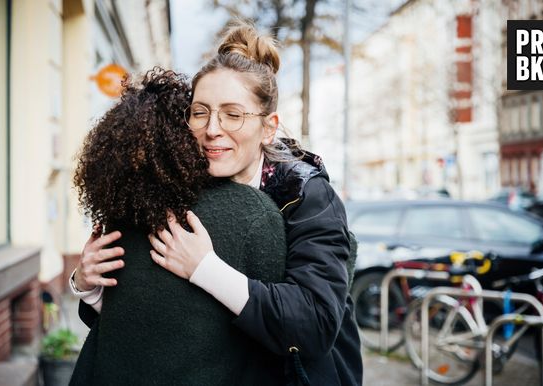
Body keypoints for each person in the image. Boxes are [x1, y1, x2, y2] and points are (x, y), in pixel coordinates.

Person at [72, 22, 363, 385]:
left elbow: (315, 325)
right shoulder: (181, 188)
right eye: (200, 112)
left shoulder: (306, 195)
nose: (212, 128)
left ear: (268, 127)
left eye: (232, 114)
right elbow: (150, 316)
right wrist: (88, 283)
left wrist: (205, 269)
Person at [69, 68, 288, 385]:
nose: (212, 130)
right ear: (183, 134)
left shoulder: (124, 215)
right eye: (200, 115)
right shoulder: (253, 214)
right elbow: (284, 332)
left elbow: (123, 322)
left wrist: (84, 287)